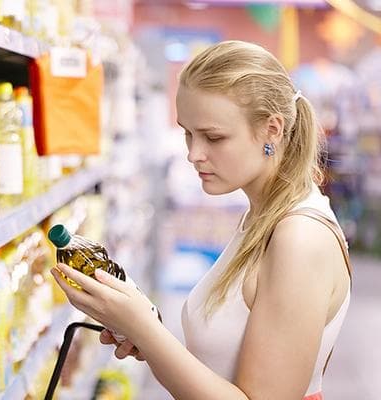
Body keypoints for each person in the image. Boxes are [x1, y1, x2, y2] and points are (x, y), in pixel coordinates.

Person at [51, 40, 352, 400]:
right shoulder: (263, 216)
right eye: (187, 133)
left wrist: (145, 329)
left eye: (213, 137)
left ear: (272, 129)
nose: (194, 154)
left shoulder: (299, 238)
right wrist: (145, 332)